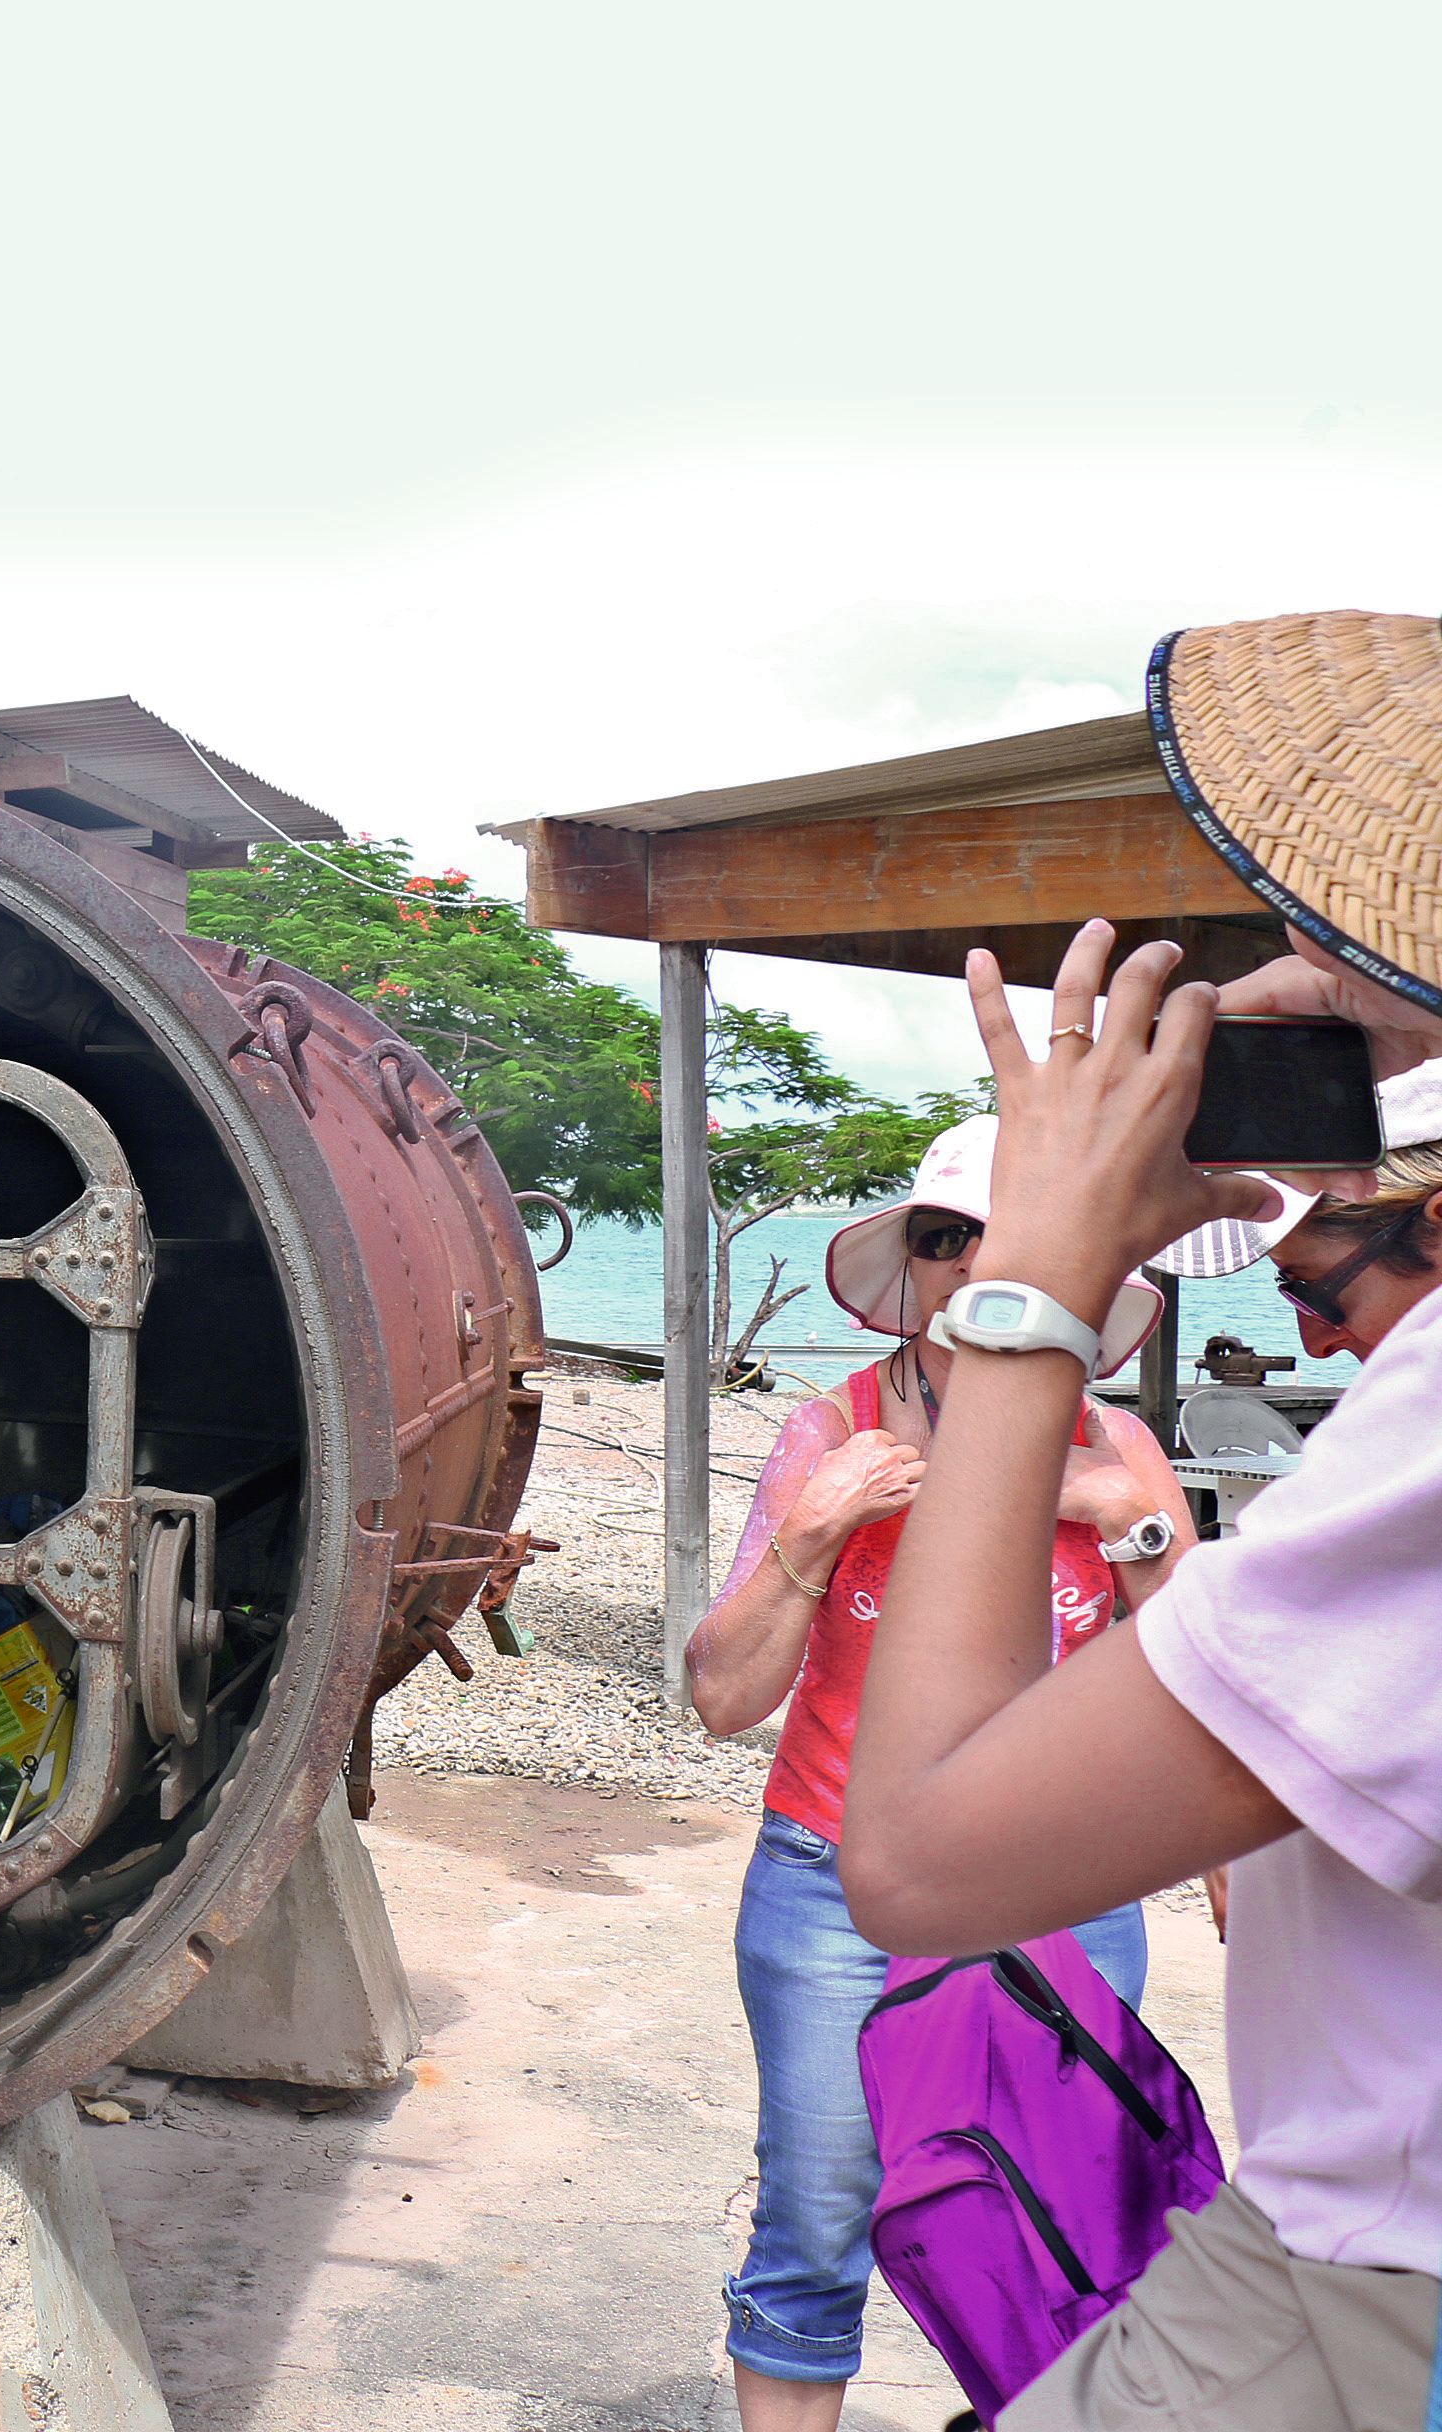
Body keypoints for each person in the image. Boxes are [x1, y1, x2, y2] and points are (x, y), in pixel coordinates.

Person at [843, 605, 1442, 2429]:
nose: (1300, 965)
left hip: (1375, 2279)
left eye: (1342, 935)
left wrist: (1040, 1270)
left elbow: (929, 1860)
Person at [685, 1115, 1198, 2432]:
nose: (972, 1269)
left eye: (1005, 1244)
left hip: (1066, 1896)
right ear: (909, 1274)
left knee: (1079, 2234)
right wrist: (813, 1534)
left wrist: (1124, 1521)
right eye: (942, 1240)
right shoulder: (833, 1437)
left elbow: (1218, 1689)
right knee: (819, 2221)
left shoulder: (1118, 1452)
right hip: (834, 1885)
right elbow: (723, 1701)